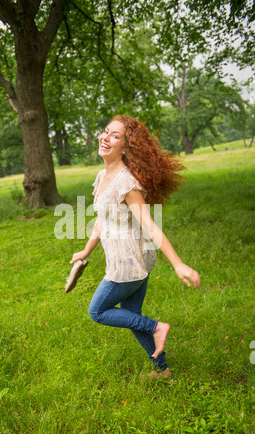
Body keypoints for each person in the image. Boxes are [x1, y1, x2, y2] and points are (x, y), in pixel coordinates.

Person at [70, 115, 200, 378]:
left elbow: (151, 226)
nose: (105, 137)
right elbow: (101, 220)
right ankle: (162, 371)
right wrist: (86, 251)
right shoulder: (102, 176)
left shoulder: (126, 183)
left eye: (115, 136)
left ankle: (156, 327)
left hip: (128, 265)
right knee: (130, 315)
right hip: (132, 261)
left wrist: (178, 264)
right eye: (106, 131)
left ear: (126, 147)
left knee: (97, 311)